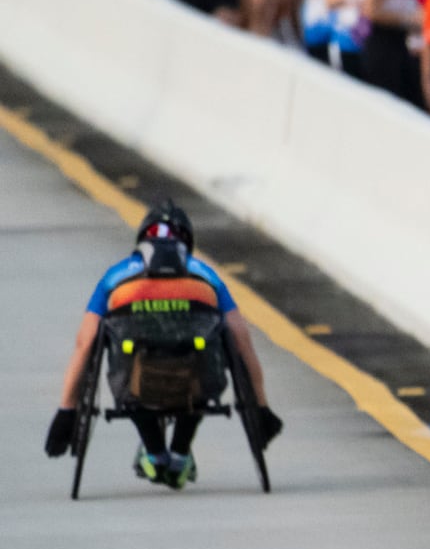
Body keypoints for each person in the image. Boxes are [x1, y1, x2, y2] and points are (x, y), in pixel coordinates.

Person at [46, 203, 281, 489]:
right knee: (204, 351)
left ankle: (156, 455)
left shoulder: (116, 275)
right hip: (197, 378)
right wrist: (261, 407)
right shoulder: (205, 273)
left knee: (129, 370)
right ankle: (180, 455)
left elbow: (86, 343)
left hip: (135, 380)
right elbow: (240, 339)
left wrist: (67, 410)